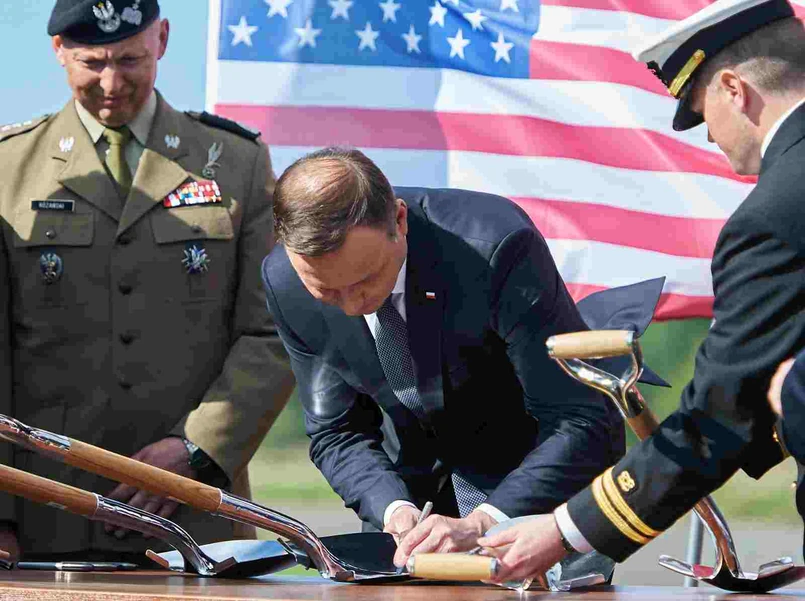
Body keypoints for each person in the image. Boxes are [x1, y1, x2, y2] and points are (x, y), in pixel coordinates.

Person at [478, 0, 805, 582]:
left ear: (735, 90)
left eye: (702, 113)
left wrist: (564, 531)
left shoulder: (772, 217)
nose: (710, 135)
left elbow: (717, 418)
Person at [0, 0, 295, 563]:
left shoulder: (237, 162)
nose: (112, 83)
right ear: (59, 51)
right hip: (46, 511)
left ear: (162, 39)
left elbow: (272, 329)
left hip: (195, 509)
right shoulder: (8, 167)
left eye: (130, 60)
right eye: (93, 63)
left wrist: (196, 448)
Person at [262, 146, 635, 568]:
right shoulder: (284, 283)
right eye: (327, 292)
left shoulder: (495, 246)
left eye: (366, 279)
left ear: (399, 221)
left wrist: (483, 522)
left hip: (538, 496)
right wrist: (394, 511)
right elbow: (337, 431)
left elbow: (579, 416)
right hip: (412, 513)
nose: (351, 306)